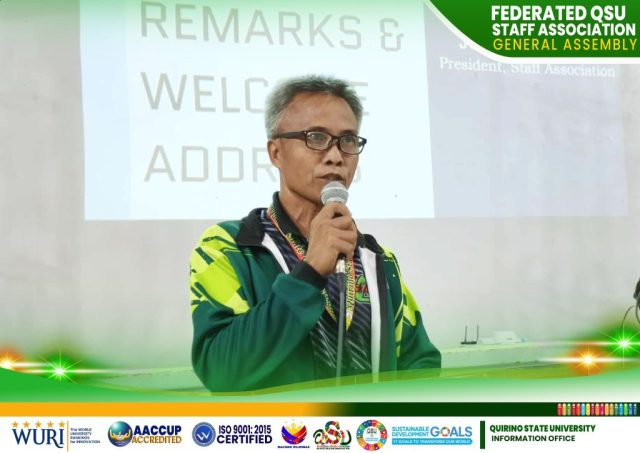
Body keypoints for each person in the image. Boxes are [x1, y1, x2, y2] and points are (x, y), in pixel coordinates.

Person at [190, 75, 440, 392]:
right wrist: (308, 274)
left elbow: (420, 362)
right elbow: (219, 370)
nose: (336, 155)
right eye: (316, 137)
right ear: (275, 152)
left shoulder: (377, 259)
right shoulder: (229, 247)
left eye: (348, 140)